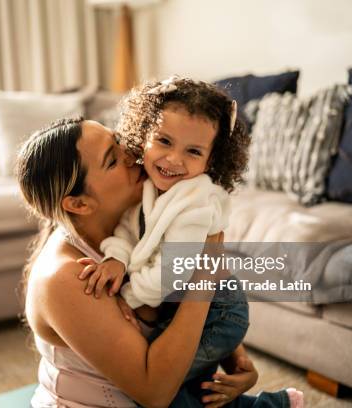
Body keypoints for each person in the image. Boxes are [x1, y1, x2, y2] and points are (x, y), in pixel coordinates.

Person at [16, 116, 298, 407]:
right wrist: (206, 268)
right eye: (112, 160)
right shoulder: (66, 278)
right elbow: (155, 392)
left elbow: (185, 300)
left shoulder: (141, 218)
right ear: (79, 204)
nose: (132, 153)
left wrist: (235, 357)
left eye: (119, 141)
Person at [75, 76, 303, 408]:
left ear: (210, 161)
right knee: (198, 388)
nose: (174, 160)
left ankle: (270, 406)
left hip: (219, 311)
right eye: (164, 141)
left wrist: (129, 296)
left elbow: (174, 272)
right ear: (144, 136)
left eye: (193, 151)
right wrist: (117, 259)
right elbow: (128, 229)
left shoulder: (197, 202)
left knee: (165, 388)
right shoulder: (151, 186)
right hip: (180, 305)